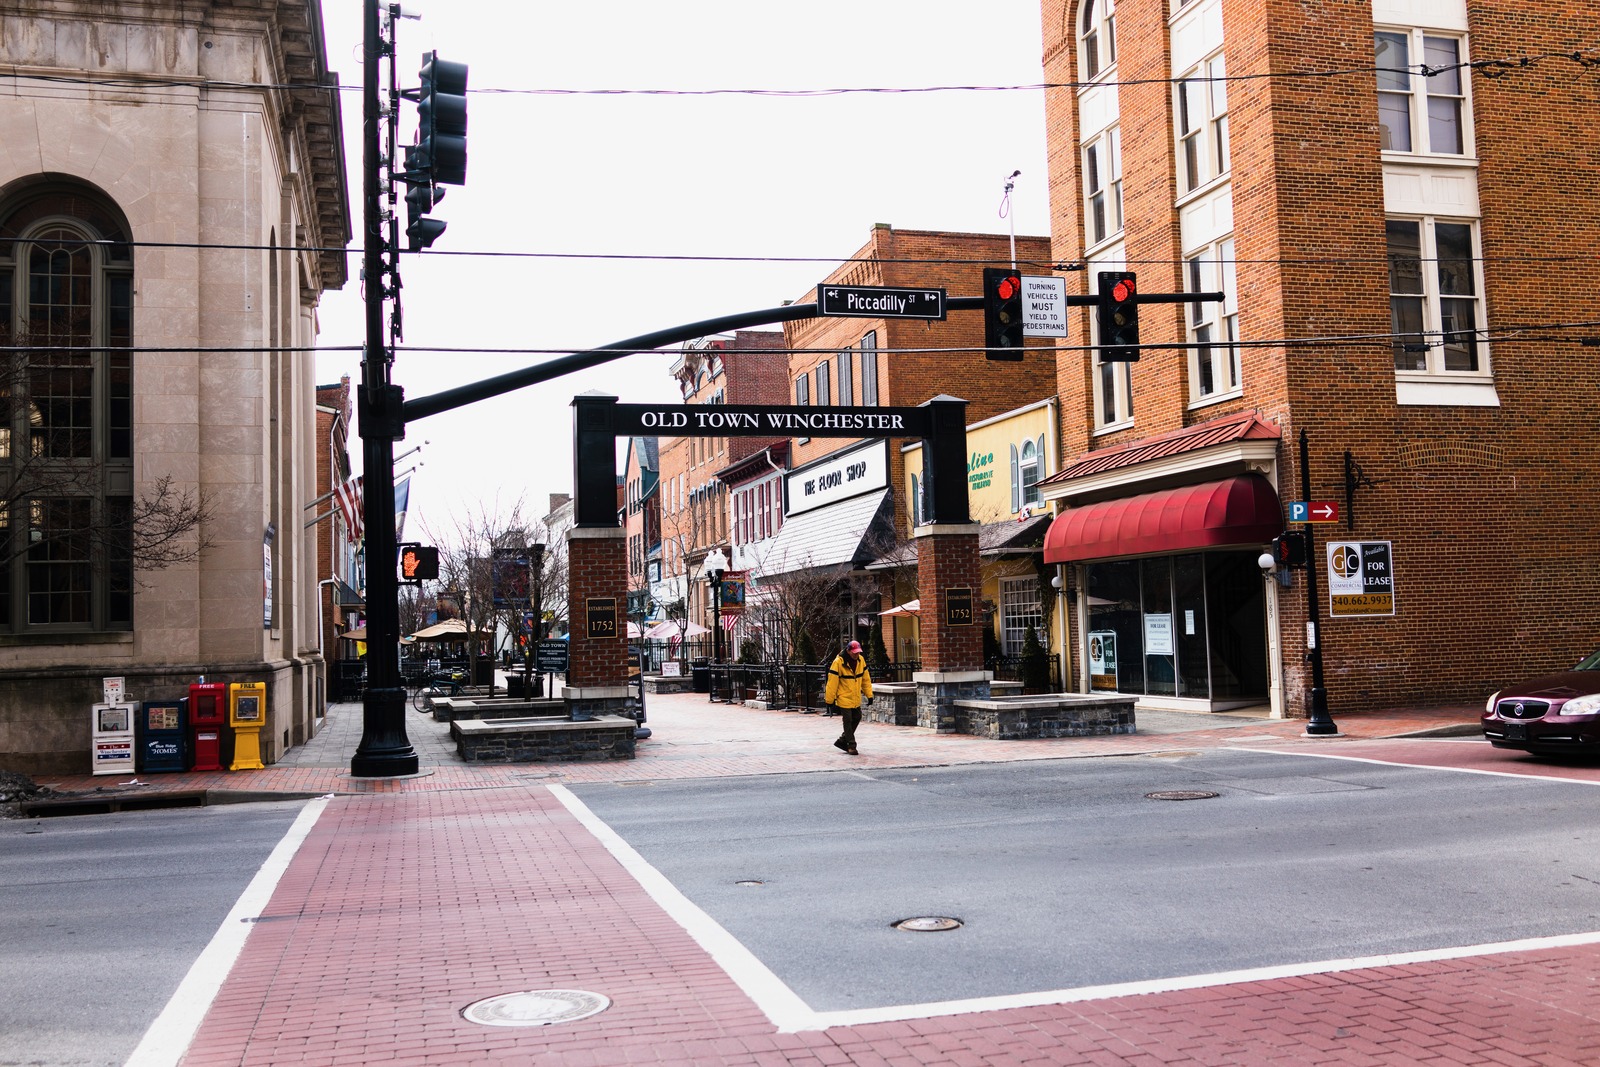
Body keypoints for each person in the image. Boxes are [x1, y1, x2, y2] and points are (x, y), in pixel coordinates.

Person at [824, 640, 873, 755]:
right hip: (843, 696)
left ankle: (842, 740)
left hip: (855, 697)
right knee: (848, 720)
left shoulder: (861, 661)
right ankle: (851, 745)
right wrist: (829, 700)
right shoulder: (838, 663)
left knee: (857, 716)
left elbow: (865, 679)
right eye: (854, 652)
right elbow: (832, 683)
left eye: (858, 652)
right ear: (848, 651)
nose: (856, 655)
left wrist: (869, 695)